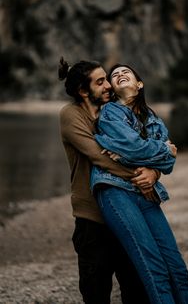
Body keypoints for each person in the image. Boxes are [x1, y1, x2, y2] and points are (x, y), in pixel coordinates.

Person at [90, 63, 188, 304]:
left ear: (139, 84)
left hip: (147, 191)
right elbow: (136, 148)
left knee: (177, 268)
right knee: (154, 267)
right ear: (113, 89)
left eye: (125, 72)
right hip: (115, 190)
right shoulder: (110, 113)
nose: (119, 75)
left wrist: (153, 168)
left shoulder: (154, 120)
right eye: (114, 75)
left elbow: (166, 165)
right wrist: (166, 150)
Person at [58, 57, 161, 304]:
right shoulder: (71, 115)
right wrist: (142, 177)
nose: (108, 86)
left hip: (128, 213)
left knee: (137, 290)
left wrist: (154, 173)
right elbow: (99, 157)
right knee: (96, 293)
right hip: (92, 219)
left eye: (107, 80)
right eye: (101, 82)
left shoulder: (116, 110)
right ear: (84, 91)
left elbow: (148, 147)